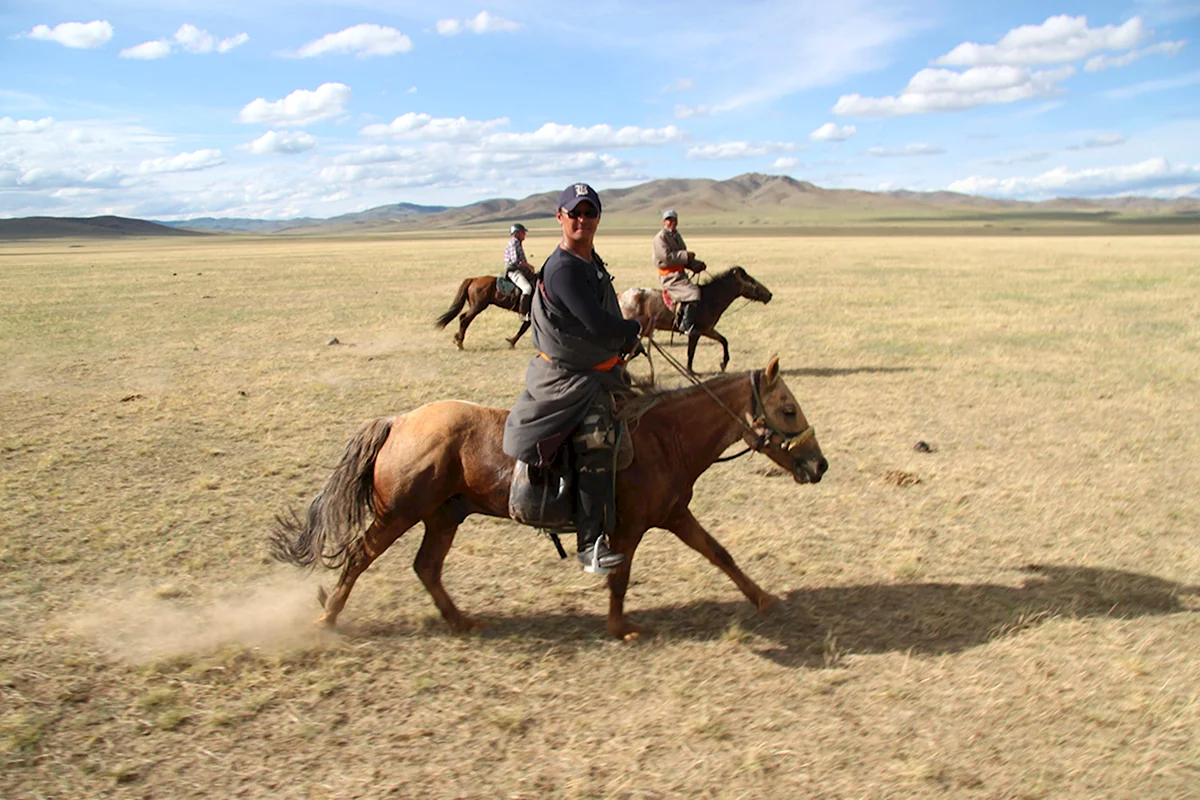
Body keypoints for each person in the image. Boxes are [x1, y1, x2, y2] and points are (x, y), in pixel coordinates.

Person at [503, 183, 644, 574]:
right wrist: (630, 330)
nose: (582, 219)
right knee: (598, 433)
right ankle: (590, 544)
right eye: (574, 213)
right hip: (565, 375)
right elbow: (597, 324)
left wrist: (622, 343)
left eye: (589, 212)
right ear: (560, 217)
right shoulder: (564, 268)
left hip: (592, 366)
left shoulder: (590, 261)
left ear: (598, 217)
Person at [653, 209, 706, 334]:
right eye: (669, 220)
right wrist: (685, 255)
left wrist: (696, 265)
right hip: (669, 276)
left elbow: (682, 259)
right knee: (694, 292)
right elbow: (666, 257)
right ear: (664, 221)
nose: (672, 222)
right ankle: (685, 326)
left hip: (680, 274)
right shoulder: (660, 237)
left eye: (674, 220)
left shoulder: (676, 235)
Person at [504, 223, 536, 320]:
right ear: (516, 233)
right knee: (527, 288)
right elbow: (515, 261)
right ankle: (523, 313)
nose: (524, 234)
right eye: (523, 232)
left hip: (520, 270)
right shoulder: (514, 243)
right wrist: (528, 265)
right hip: (514, 271)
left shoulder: (517, 243)